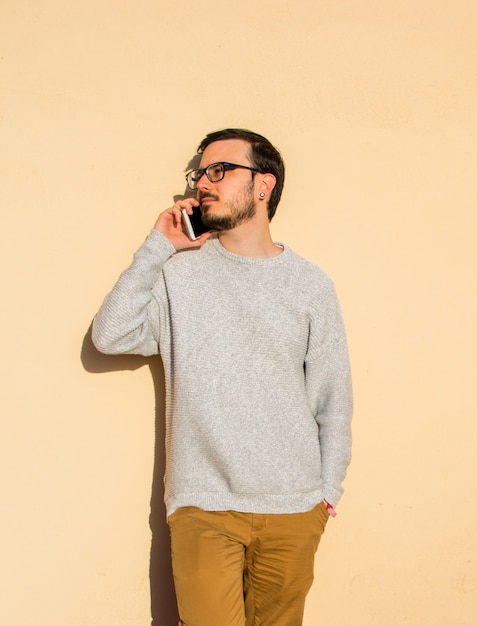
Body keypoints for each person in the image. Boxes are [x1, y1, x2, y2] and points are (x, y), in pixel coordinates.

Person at [92, 128, 353, 626]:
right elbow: (111, 336)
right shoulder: (178, 275)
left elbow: (332, 397)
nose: (202, 184)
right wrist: (157, 246)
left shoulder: (311, 285)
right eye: (199, 173)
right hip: (204, 506)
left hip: (295, 506)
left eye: (219, 170)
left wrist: (326, 491)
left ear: (263, 185)